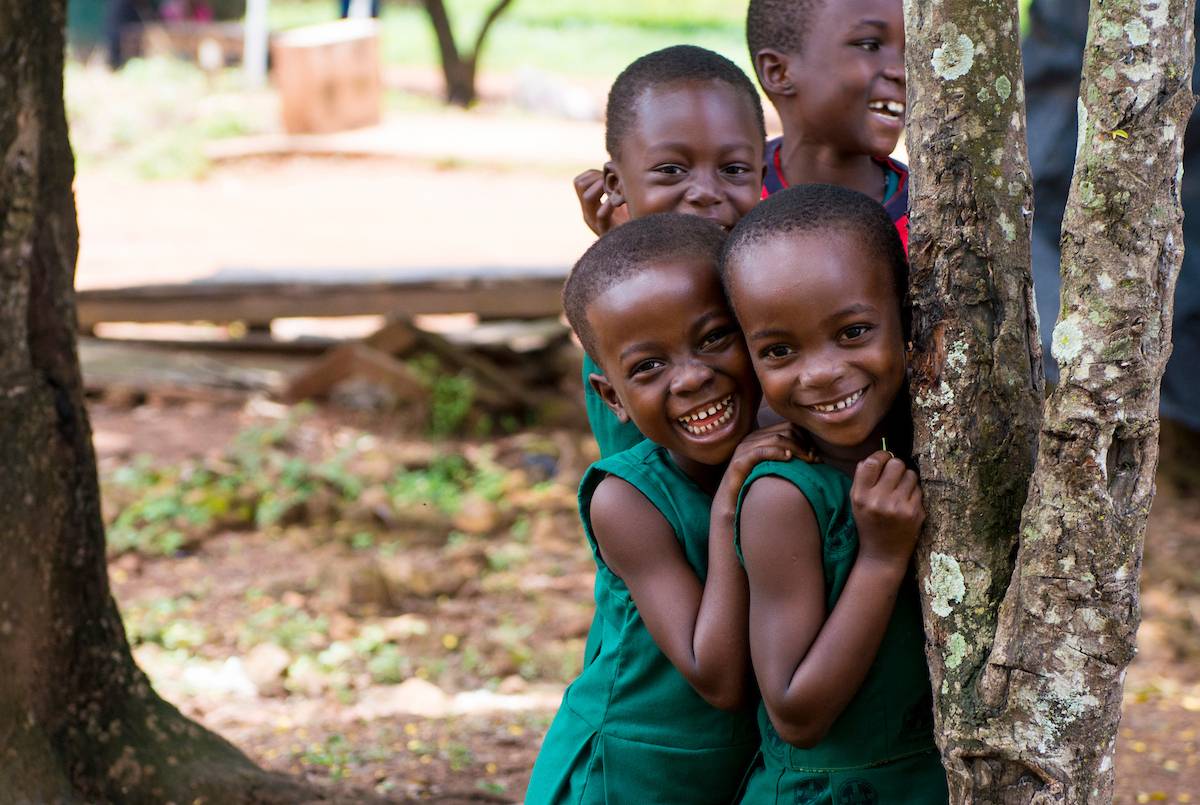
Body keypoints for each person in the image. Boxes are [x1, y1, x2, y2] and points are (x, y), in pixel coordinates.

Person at [526, 213, 800, 805]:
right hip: (627, 771)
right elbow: (717, 676)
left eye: (713, 339)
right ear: (611, 397)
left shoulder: (794, 448)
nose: (692, 378)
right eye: (649, 367)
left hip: (735, 771)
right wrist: (730, 500)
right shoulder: (625, 499)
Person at [720, 185, 947, 802]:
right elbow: (797, 712)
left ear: (907, 314)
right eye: (780, 350)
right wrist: (880, 558)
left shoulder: (938, 450)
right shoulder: (783, 498)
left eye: (852, 331)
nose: (819, 371)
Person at [573, 45, 769, 458]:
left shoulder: (780, 287)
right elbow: (639, 482)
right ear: (615, 183)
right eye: (671, 170)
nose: (705, 193)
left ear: (762, 177)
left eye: (733, 169)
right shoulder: (619, 324)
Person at [747, 0, 910, 248]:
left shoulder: (930, 217)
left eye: (909, 51)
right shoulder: (735, 198)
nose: (901, 71)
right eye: (870, 45)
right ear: (778, 72)